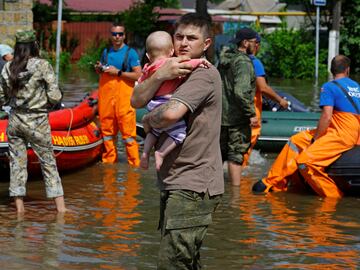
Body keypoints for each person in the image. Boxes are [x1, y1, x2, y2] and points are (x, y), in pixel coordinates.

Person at [131, 13, 224, 268]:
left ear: (205, 44)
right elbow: (135, 100)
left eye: (191, 38)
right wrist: (160, 76)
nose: (184, 43)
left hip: (193, 183)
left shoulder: (202, 74)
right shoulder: (170, 68)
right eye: (179, 37)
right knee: (186, 261)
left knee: (173, 263)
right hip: (177, 180)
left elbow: (170, 114)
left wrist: (149, 119)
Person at [254, 55, 360, 198]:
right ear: (347, 70)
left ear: (331, 70)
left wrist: (315, 140)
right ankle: (274, 182)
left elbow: (326, 116)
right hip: (350, 131)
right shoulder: (357, 86)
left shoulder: (329, 87)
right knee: (296, 140)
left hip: (342, 134)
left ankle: (334, 197)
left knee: (305, 161)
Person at [0, 30, 67, 213]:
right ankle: (61, 211)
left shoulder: (8, 67)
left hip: (15, 121)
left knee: (17, 165)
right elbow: (54, 96)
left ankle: (20, 212)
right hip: (37, 121)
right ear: (34, 44)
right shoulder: (43, 65)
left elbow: (2, 98)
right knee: (48, 164)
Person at [138, 30, 209, 171]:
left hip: (153, 104)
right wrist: (201, 61)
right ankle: (161, 153)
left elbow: (139, 85)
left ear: (147, 55)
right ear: (171, 51)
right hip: (166, 102)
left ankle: (145, 152)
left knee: (154, 132)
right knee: (180, 134)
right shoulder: (171, 62)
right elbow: (188, 64)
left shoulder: (147, 68)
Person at [95, 22, 142, 166]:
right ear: (111, 36)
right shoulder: (106, 52)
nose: (117, 37)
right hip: (107, 99)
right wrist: (99, 68)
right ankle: (109, 165)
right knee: (107, 134)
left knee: (128, 136)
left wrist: (119, 72)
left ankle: (134, 166)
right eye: (114, 34)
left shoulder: (131, 53)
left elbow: (138, 75)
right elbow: (101, 72)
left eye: (120, 34)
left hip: (124, 100)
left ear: (124, 36)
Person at [218, 27, 258, 186]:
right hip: (237, 119)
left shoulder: (225, 59)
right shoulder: (243, 62)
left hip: (221, 116)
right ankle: (235, 197)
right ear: (245, 42)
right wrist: (251, 113)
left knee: (218, 155)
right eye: (255, 43)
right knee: (236, 155)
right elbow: (241, 92)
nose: (256, 46)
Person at [242, 33, 289, 166]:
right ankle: (241, 183)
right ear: (256, 44)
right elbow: (262, 88)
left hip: (234, 110)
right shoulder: (255, 62)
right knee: (245, 148)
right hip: (251, 111)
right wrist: (280, 101)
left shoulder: (231, 61)